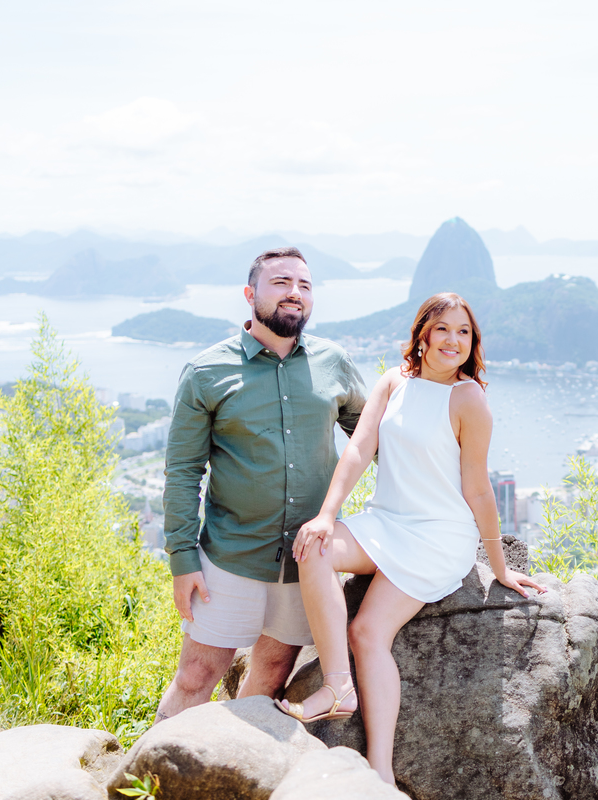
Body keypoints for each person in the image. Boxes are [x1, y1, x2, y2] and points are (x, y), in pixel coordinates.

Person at [275, 292, 544, 786]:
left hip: (437, 538)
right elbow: (358, 449)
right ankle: (338, 687)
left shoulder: (469, 399)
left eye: (464, 332)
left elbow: (478, 488)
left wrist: (499, 567)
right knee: (312, 548)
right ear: (422, 333)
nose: (453, 340)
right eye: (443, 328)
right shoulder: (394, 382)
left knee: (368, 633)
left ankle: (379, 769)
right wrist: (327, 516)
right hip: (386, 522)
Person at [154, 247, 367, 723]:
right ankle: (151, 785)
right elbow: (184, 472)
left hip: (304, 564)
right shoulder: (206, 372)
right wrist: (182, 561)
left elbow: (372, 438)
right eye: (281, 283)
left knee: (269, 676)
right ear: (250, 295)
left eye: (305, 286)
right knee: (194, 679)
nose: (295, 293)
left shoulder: (335, 363)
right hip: (229, 558)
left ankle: (235, 776)